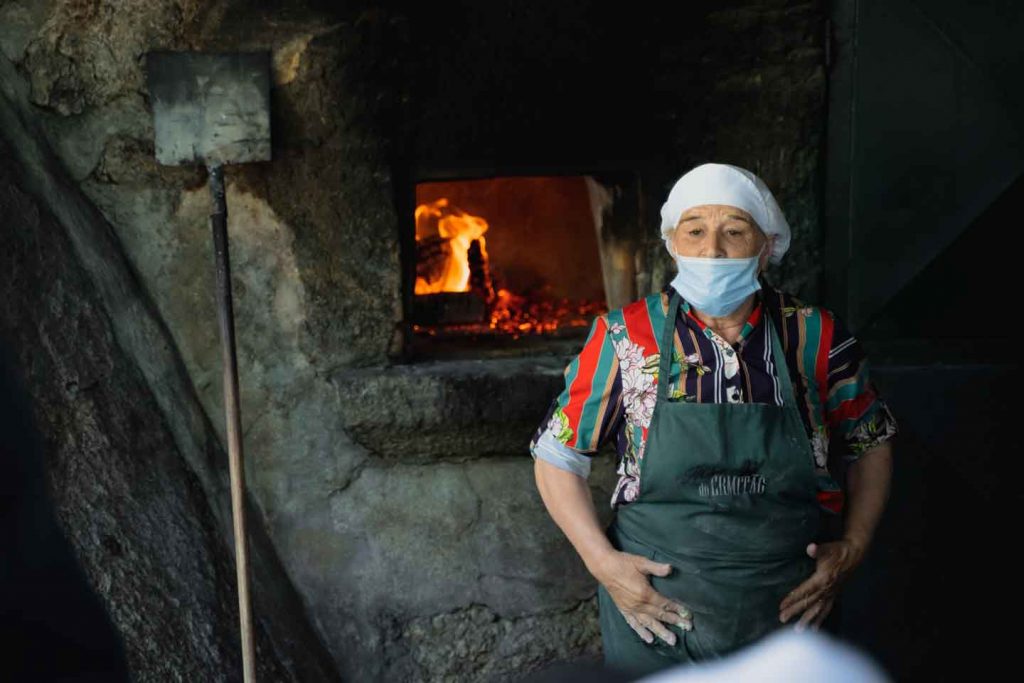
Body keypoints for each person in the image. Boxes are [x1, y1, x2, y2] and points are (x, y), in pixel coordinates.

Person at [529, 163, 898, 678]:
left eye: (734, 231)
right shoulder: (624, 337)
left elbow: (870, 443)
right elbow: (556, 454)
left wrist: (853, 550)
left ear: (766, 246)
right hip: (654, 615)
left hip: (787, 616)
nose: (713, 251)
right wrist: (603, 565)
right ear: (672, 243)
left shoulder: (816, 335)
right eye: (695, 230)